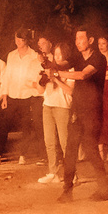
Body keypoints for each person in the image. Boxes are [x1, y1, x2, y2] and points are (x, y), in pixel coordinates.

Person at [55, 26, 108, 203]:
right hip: (77, 110)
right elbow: (63, 63)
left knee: (90, 151)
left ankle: (104, 190)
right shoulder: (77, 57)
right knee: (70, 150)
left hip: (92, 112)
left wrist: (57, 72)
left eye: (81, 39)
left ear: (90, 40)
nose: (77, 42)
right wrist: (48, 62)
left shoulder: (99, 59)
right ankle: (67, 191)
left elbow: (82, 75)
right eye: (76, 39)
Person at [2, 31, 44, 163]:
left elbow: (37, 76)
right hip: (12, 95)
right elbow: (7, 76)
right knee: (4, 123)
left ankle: (22, 154)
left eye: (21, 39)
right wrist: (4, 96)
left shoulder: (34, 56)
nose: (18, 41)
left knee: (26, 126)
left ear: (27, 40)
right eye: (17, 39)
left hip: (27, 95)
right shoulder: (11, 55)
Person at [36, 35, 71, 182]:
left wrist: (55, 77)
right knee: (49, 141)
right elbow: (40, 90)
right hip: (48, 105)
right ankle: (53, 172)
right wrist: (42, 80)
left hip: (62, 107)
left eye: (59, 54)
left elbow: (70, 90)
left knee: (65, 142)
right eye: (55, 54)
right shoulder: (49, 67)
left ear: (65, 54)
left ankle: (71, 173)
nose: (56, 57)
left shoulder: (70, 69)